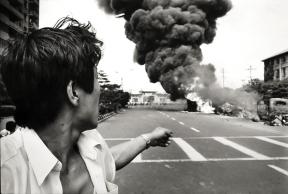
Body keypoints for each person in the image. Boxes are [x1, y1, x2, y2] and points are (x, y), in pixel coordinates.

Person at [0, 17, 173, 194]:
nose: (100, 90)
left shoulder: (90, 141)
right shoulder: (6, 172)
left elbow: (108, 160)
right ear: (74, 92)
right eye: (96, 79)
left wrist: (149, 138)